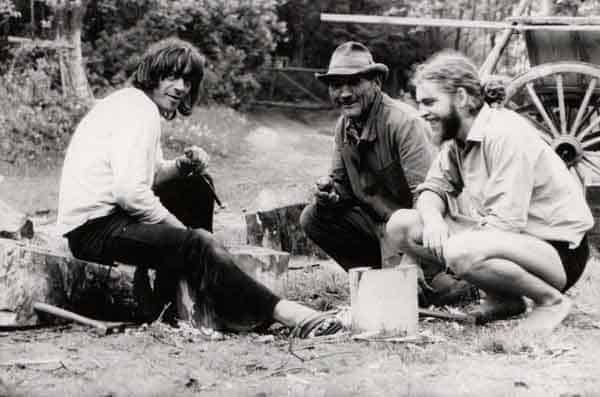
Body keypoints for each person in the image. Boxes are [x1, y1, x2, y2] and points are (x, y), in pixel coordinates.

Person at [56, 37, 343, 338]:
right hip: (94, 231)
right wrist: (185, 234)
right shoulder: (138, 112)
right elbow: (130, 193)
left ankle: (181, 293)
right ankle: (287, 313)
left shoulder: (134, 105)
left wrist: (181, 166)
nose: (180, 87)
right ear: (152, 75)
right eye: (172, 76)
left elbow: (148, 176)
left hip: (104, 223)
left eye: (187, 80)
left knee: (193, 185)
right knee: (196, 244)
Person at [386, 50, 594, 333]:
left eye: (430, 102)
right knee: (402, 225)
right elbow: (432, 188)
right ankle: (506, 301)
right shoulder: (456, 138)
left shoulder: (505, 133)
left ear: (460, 98)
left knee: (460, 251)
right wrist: (434, 220)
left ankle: (551, 301)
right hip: (515, 241)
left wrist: (453, 250)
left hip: (558, 253)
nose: (422, 111)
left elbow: (505, 224)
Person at [300, 41, 435, 272]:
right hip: (377, 227)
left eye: (354, 83)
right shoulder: (344, 126)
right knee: (313, 217)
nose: (344, 94)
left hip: (414, 231)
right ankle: (373, 277)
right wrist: (328, 195)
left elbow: (428, 201)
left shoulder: (404, 123)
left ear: (376, 83)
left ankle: (447, 278)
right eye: (335, 85)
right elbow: (341, 188)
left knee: (428, 295)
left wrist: (411, 258)